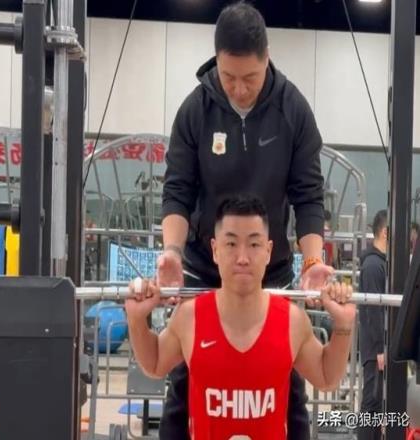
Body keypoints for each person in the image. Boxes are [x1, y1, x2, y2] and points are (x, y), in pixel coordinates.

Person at [159, 2, 332, 438]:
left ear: (267, 58)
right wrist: (172, 252)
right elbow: (177, 190)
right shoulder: (195, 110)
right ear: (216, 61)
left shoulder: (294, 110)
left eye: (249, 78)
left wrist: (313, 263)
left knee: (287, 382)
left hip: (269, 269)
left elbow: (309, 195)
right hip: (205, 266)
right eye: (229, 76)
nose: (239, 89)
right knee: (184, 381)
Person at [127, 195, 355, 439]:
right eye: (231, 244)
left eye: (254, 244)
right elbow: (155, 363)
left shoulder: (292, 320)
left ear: (268, 251)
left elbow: (326, 377)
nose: (243, 258)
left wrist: (343, 325)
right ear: (215, 250)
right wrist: (137, 320)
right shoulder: (190, 316)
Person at [357, 209, 387, 440]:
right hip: (374, 348)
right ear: (386, 232)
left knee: (377, 403)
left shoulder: (380, 263)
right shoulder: (373, 266)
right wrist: (380, 348)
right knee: (371, 402)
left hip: (378, 346)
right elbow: (373, 310)